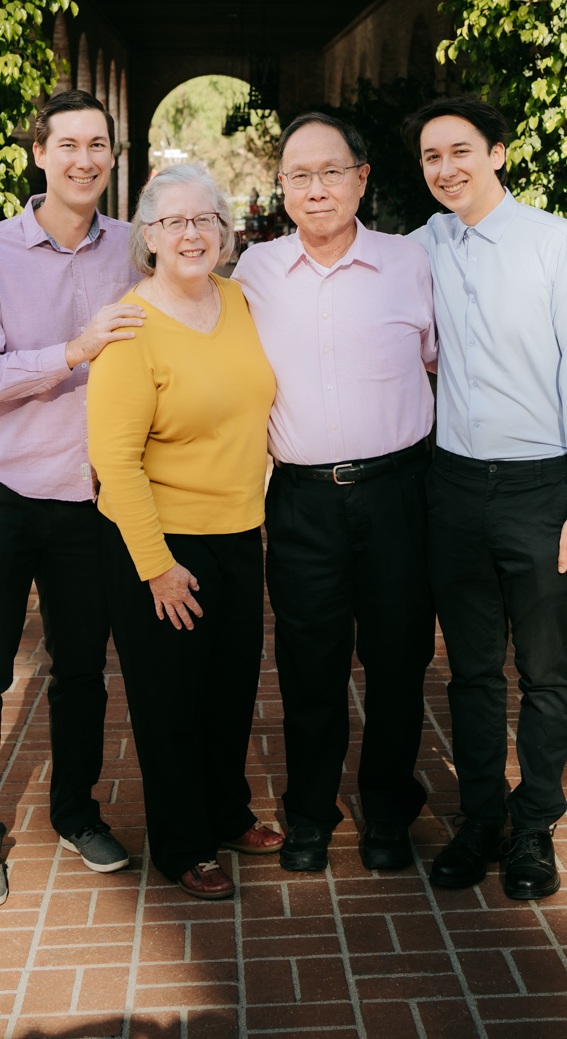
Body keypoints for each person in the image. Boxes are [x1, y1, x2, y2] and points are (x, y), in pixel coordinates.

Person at [405, 96, 567, 900]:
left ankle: (535, 829)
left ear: (498, 152)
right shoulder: (421, 245)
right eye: (431, 157)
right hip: (453, 484)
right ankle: (481, 820)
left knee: (544, 669)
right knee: (468, 672)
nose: (446, 169)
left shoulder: (560, 247)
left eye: (460, 151)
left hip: (542, 486)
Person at [0, 90, 145, 908]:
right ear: (40, 154)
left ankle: (75, 813)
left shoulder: (137, 249)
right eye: (69, 144)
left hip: (88, 496)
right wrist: (74, 351)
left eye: (99, 145)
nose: (85, 159)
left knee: (82, 672)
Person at [233, 114, 438, 874]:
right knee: (308, 665)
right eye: (298, 176)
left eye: (330, 172)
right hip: (302, 503)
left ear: (362, 177)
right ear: (280, 188)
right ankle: (311, 814)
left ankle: (387, 811)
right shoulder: (253, 273)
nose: (315, 189)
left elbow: (439, 357)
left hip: (396, 495)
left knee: (397, 659)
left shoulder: (409, 263)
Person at [87, 163, 284, 900]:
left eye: (205, 219)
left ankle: (227, 813)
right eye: (173, 222)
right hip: (159, 541)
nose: (191, 234)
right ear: (147, 237)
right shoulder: (130, 328)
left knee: (231, 690)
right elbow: (114, 461)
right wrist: (157, 567)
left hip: (238, 533)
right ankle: (181, 844)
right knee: (170, 702)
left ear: (226, 232)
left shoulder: (238, 301)